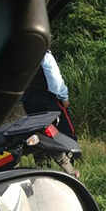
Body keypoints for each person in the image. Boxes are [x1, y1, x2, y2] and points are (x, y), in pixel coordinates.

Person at [22, 50, 79, 178]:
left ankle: (42, 167)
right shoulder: (43, 54)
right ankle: (71, 166)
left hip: (29, 100)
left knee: (38, 133)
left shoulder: (20, 55)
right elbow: (54, 78)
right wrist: (63, 97)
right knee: (64, 132)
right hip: (49, 99)